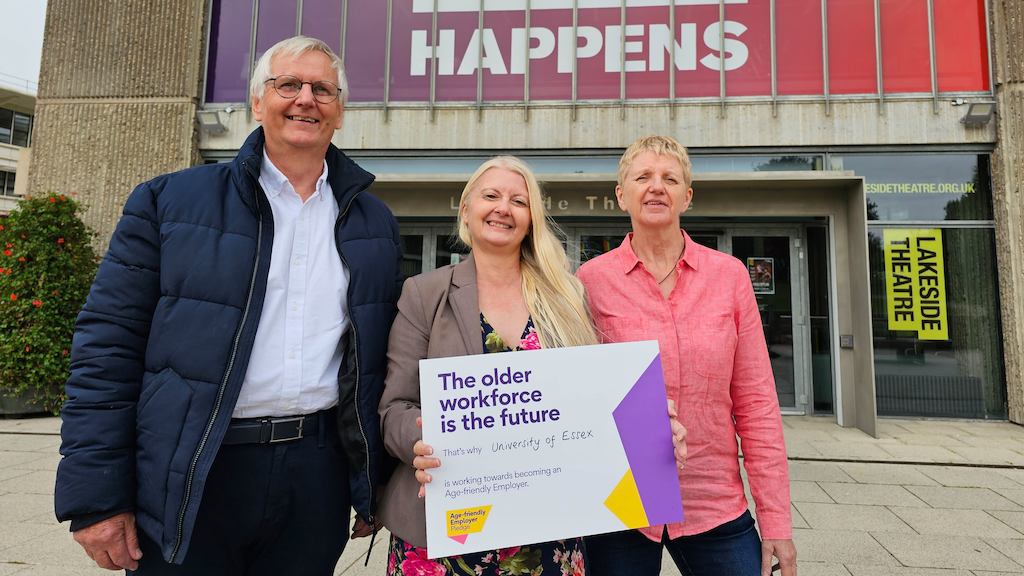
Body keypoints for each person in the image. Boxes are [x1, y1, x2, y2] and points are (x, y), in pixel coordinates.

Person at [54, 36, 402, 574]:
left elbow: (377, 364)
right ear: (257, 103)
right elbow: (107, 346)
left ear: (340, 112)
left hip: (316, 474)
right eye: (288, 85)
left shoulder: (373, 222)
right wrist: (96, 497)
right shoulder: (168, 202)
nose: (305, 99)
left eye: (323, 89)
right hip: (193, 470)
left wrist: (372, 477)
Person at [377, 157, 685, 575]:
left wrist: (649, 430)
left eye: (518, 201)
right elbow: (395, 407)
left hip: (547, 535)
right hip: (447, 531)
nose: (503, 207)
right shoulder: (423, 293)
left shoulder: (567, 296)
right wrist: (418, 441)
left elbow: (591, 404)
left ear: (531, 218)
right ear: (466, 209)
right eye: (491, 196)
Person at [577, 136, 798, 576]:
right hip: (623, 506)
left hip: (713, 502)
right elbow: (579, 400)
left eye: (669, 178)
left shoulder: (729, 277)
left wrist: (776, 521)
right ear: (621, 195)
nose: (656, 187)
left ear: (687, 196)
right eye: (643, 177)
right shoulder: (590, 281)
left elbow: (757, 405)